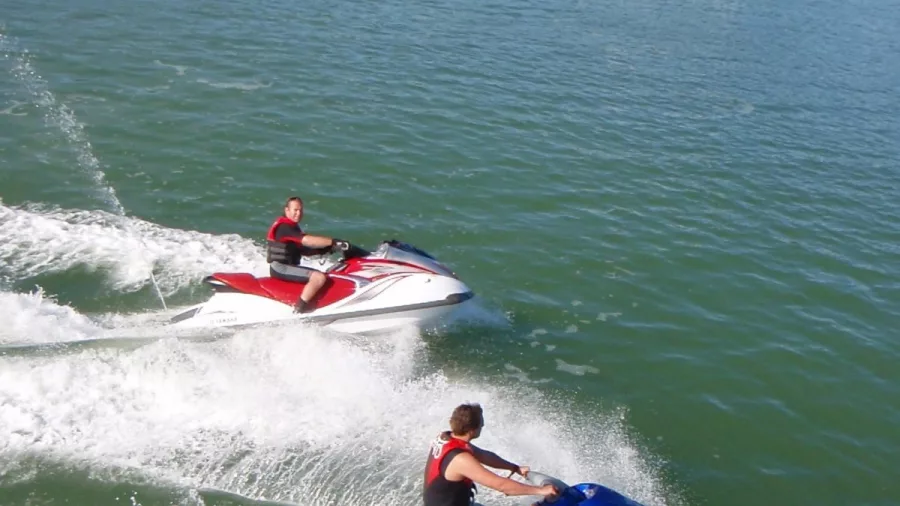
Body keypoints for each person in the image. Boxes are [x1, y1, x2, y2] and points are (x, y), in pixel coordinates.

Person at [424, 403, 558, 506]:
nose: (483, 426)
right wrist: (541, 490)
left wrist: (514, 467)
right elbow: (502, 486)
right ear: (472, 430)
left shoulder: (446, 438)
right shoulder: (460, 459)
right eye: (481, 425)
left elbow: (484, 455)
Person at [266, 196, 344, 313]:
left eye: (301, 210)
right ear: (287, 210)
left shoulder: (293, 227)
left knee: (323, 274)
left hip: (287, 266)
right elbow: (307, 240)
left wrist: (324, 250)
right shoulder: (284, 227)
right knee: (318, 277)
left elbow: (304, 250)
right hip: (280, 267)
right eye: (295, 210)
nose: (299, 213)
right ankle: (299, 311)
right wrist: (334, 242)